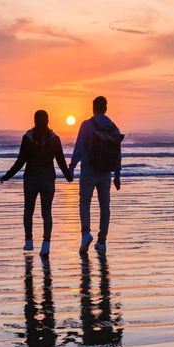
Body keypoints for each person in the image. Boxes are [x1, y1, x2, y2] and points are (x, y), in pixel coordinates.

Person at [1, 110, 73, 256]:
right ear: (48, 121)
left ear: (34, 121)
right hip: (47, 180)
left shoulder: (28, 138)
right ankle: (46, 244)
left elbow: (21, 161)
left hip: (31, 180)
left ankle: (29, 241)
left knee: (28, 211)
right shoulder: (54, 138)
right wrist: (68, 176)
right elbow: (60, 160)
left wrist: (7, 176)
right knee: (46, 213)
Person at [69, 96, 123, 253]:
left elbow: (78, 148)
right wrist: (117, 175)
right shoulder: (114, 128)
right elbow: (117, 153)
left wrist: (71, 167)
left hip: (88, 170)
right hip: (106, 172)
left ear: (93, 108)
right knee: (104, 206)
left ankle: (86, 233)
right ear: (105, 109)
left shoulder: (87, 125)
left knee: (84, 202)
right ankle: (102, 241)